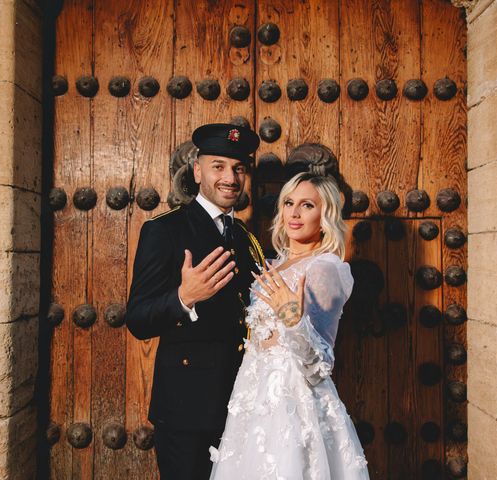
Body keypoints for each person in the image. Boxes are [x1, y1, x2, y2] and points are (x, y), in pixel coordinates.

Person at [126, 123, 265, 480]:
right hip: (186, 410)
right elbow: (139, 319)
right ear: (198, 170)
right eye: (218, 166)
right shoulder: (165, 230)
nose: (230, 178)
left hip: (241, 406)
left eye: (238, 168)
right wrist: (183, 298)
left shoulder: (248, 239)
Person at [209, 172, 370, 479]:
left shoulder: (323, 269)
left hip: (294, 404)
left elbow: (318, 365)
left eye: (307, 205)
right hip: (252, 399)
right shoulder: (269, 264)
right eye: (288, 203)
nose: (294, 213)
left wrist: (293, 320)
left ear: (325, 215)